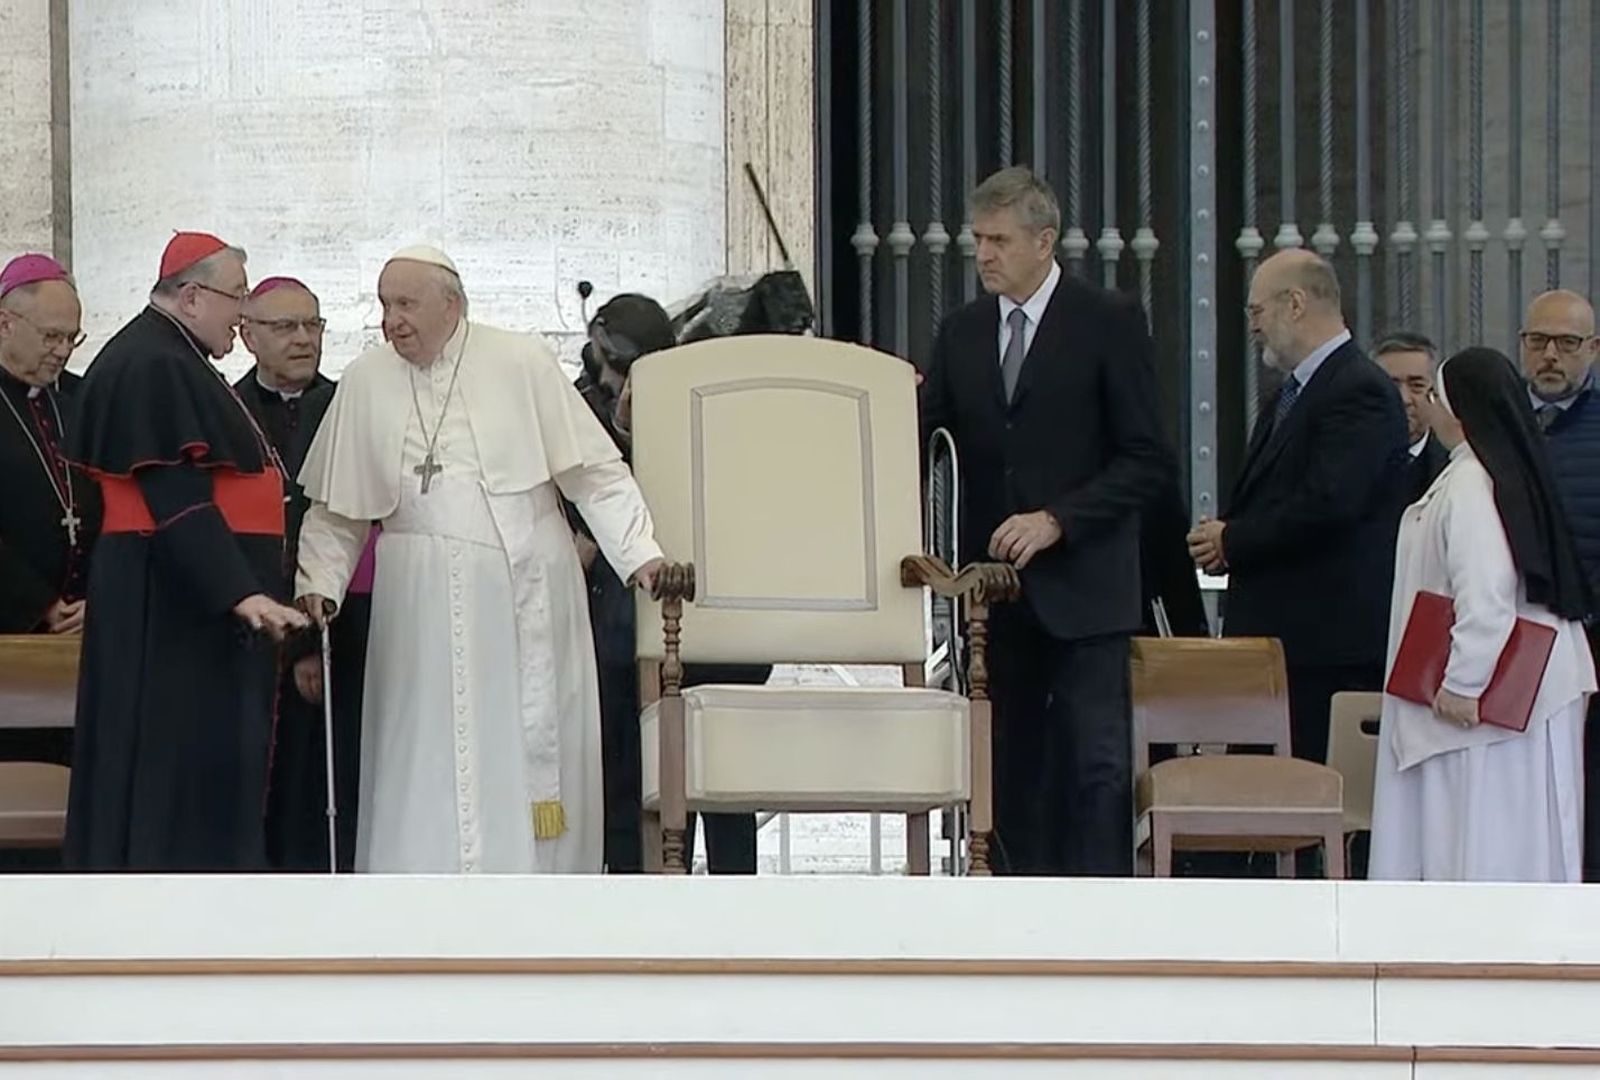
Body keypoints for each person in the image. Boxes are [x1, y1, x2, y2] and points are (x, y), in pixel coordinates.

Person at [295, 245, 665, 874]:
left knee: (514, 751)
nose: (393, 320)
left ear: (453, 304)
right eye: (385, 306)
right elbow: (338, 509)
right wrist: (319, 581)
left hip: (524, 591)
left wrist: (639, 554)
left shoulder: (519, 362)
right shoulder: (365, 381)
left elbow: (595, 476)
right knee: (424, 752)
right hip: (416, 606)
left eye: (406, 304)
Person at [919, 167, 1173, 876]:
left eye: (999, 240)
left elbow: (1147, 458)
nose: (985, 255)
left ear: (1044, 240)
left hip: (1087, 590)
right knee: (1008, 767)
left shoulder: (1108, 321)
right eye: (978, 240)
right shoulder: (962, 333)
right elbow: (925, 438)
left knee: (1096, 768)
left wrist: (1059, 519)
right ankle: (1015, 928)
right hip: (994, 599)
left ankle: (1099, 932)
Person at [63, 231, 308, 871]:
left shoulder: (169, 357)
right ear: (193, 297)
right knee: (170, 769)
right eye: (237, 298)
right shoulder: (156, 364)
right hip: (171, 609)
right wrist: (242, 592)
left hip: (178, 600)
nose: (242, 313)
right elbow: (175, 494)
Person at [1370, 347, 1595, 882]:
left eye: (1432, 396)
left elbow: (1486, 593)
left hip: (1483, 711)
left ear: (1460, 411)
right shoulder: (1482, 474)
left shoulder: (1472, 483)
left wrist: (1463, 684)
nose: (1425, 407)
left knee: (1483, 843)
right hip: (1515, 705)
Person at [1189, 250, 1407, 772]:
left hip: (1325, 650)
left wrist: (1232, 540)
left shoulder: (1358, 389)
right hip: (1283, 648)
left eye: (1256, 311)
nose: (1253, 326)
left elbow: (1329, 503)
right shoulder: (1294, 393)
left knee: (1307, 802)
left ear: (1295, 304)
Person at [575, 293, 763, 874]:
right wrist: (629, 430)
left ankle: (736, 897)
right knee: (626, 776)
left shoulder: (698, 400)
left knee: (724, 780)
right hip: (621, 616)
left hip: (710, 608)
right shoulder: (579, 407)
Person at [234, 276, 369, 871]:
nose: (302, 339)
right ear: (247, 335)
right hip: (249, 628)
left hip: (337, 630)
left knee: (323, 777)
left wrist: (315, 642)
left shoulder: (350, 409)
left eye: (312, 326)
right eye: (284, 327)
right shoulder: (225, 411)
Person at [1515, 290, 1600, 879]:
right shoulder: (1499, 424)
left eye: (1567, 344)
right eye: (1537, 341)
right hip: (1514, 642)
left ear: (1592, 351)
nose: (1550, 355)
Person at [0, 254, 100, 635]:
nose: (63, 350)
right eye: (51, 336)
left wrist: (100, 595)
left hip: (87, 623)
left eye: (72, 338)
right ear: (5, 324)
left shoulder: (79, 401)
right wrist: (41, 605)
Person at [1374, 331, 1450, 506]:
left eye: (1416, 386)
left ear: (1435, 392)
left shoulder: (1454, 466)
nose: (1404, 399)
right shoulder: (1346, 461)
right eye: (1390, 385)